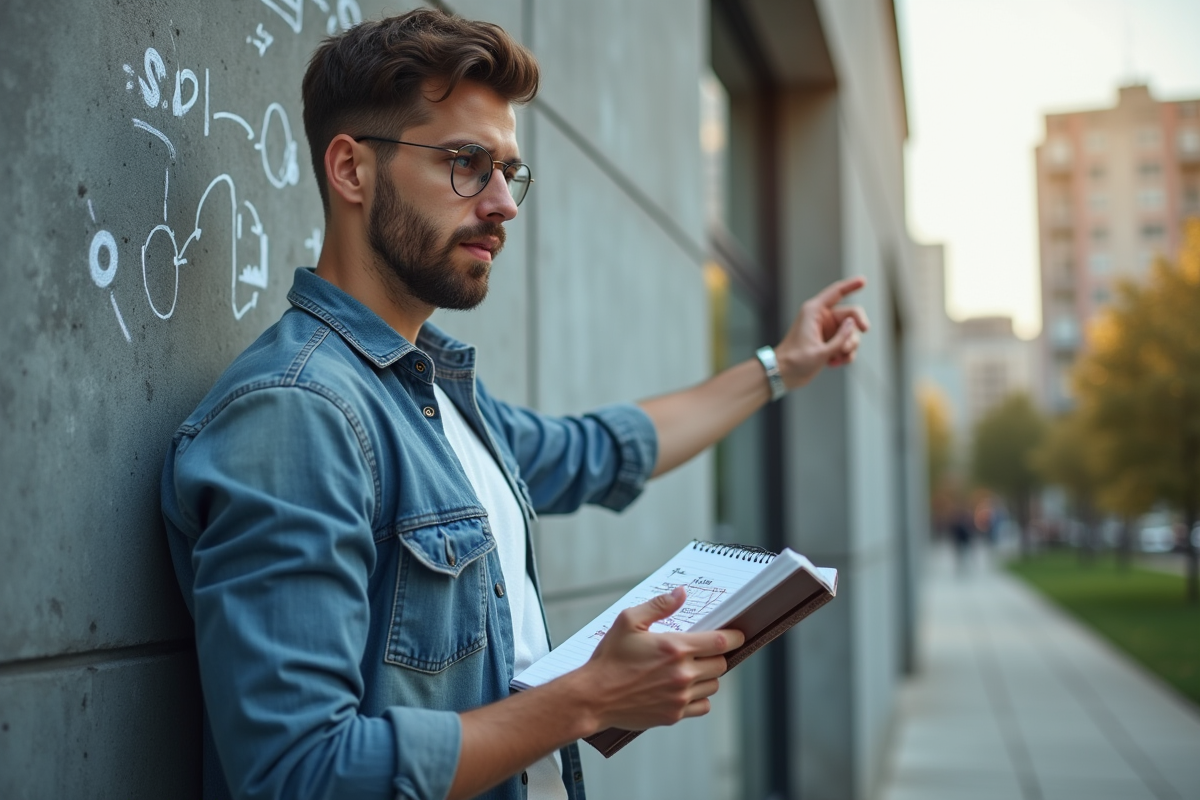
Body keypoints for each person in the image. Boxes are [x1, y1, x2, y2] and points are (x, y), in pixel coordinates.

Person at [160, 9, 869, 800]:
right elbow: (298, 774)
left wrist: (780, 366)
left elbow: (603, 449)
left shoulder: (439, 396)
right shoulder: (297, 415)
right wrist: (589, 697)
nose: (504, 204)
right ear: (352, 171)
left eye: (508, 172)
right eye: (467, 163)